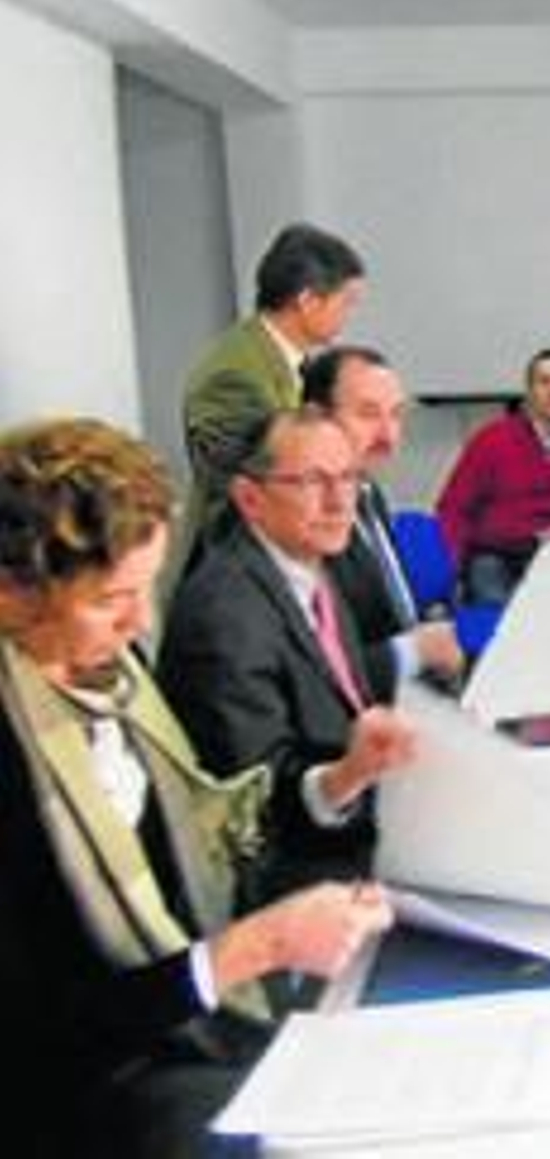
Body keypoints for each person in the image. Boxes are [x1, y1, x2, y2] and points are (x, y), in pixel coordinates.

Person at [0, 418, 403, 1159]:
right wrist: (250, 949)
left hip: (183, 1028)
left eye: (145, 589)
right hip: (89, 1096)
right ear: (15, 594)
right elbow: (39, 1036)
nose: (140, 622)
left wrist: (347, 773)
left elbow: (210, 823)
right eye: (111, 599)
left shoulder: (113, 680)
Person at [159, 408, 408, 891]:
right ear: (250, 498)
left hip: (355, 829)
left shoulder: (309, 565)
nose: (339, 502)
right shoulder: (224, 613)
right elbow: (258, 805)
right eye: (312, 482)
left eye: (348, 478)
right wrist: (348, 775)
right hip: (292, 878)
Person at [179, 223, 366, 562]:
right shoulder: (231, 377)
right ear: (307, 301)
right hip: (244, 570)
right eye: (347, 302)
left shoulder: (292, 363)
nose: (349, 315)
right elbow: (250, 496)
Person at [301, 346, 465, 693]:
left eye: (396, 415)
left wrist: (426, 637)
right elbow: (309, 675)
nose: (388, 435)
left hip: (408, 693)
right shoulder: (299, 520)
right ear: (316, 418)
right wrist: (414, 651)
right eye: (368, 414)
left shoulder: (367, 493)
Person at [434, 347, 550, 602]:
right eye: (544, 382)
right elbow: (453, 509)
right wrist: (451, 571)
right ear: (529, 391)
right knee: (500, 614)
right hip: (495, 556)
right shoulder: (490, 439)